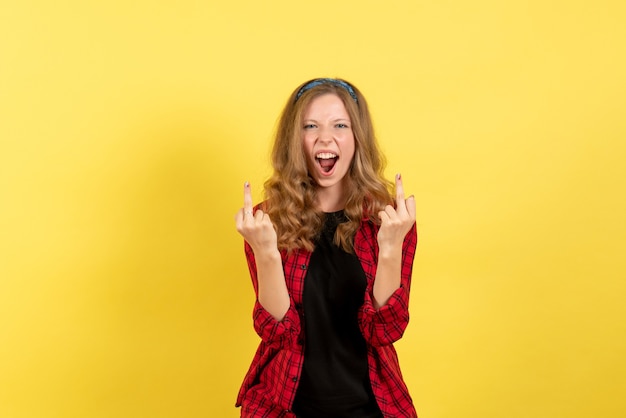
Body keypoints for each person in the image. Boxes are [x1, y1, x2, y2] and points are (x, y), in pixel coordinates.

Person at [234, 78, 418, 418]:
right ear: (295, 140)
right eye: (310, 126)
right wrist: (267, 253)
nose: (325, 137)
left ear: (357, 137)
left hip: (370, 406)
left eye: (340, 125)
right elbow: (278, 333)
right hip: (284, 405)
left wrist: (391, 247)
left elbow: (385, 331)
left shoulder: (389, 220)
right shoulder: (265, 221)